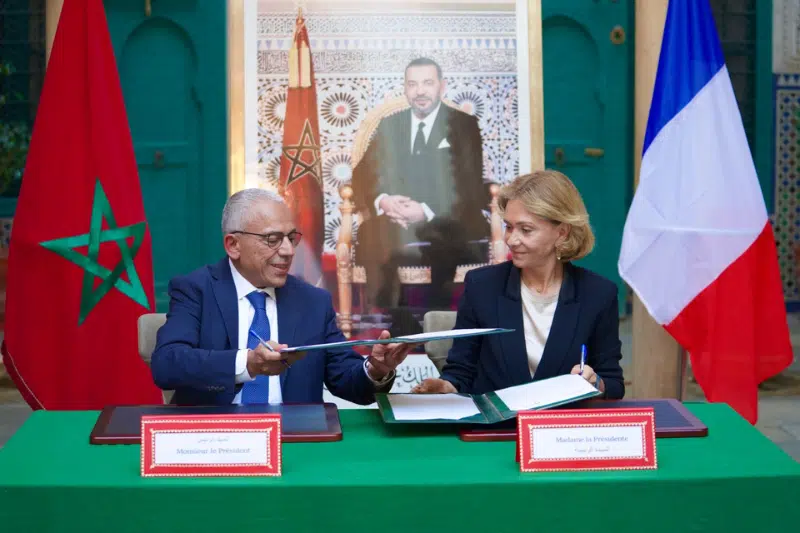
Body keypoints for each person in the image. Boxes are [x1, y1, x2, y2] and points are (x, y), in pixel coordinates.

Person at [150, 189, 415, 406]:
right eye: (273, 239)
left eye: (291, 238)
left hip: (295, 439)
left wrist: (375, 369)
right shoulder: (196, 290)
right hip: (215, 439)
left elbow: (348, 381)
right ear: (233, 245)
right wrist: (247, 364)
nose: (288, 251)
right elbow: (167, 364)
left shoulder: (313, 302)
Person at [413, 170, 625, 399]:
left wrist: (595, 383)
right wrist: (446, 387)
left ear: (562, 233)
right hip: (496, 421)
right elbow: (461, 373)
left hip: (559, 421)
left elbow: (614, 384)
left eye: (526, 230)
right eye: (509, 227)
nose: (511, 240)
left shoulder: (598, 294)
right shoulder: (481, 286)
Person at [350, 57, 490, 318]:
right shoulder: (391, 125)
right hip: (395, 218)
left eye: (427, 83)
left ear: (441, 86)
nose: (420, 91)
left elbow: (469, 185)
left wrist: (424, 211)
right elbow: (361, 175)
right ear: (405, 88)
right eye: (413, 84)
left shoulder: (464, 125)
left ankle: (434, 320)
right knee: (370, 232)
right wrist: (384, 201)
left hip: (448, 219)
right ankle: (393, 318)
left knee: (444, 237)